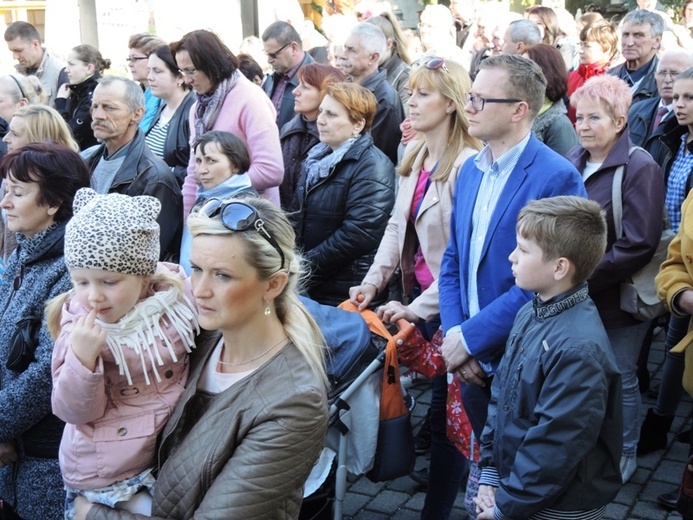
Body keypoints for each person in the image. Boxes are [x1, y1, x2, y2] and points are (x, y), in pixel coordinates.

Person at [74, 197, 329, 519]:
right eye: (196, 269)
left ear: (273, 284)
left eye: (222, 275)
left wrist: (92, 514)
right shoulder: (195, 337)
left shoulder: (294, 401)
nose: (199, 290)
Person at [437, 54, 585, 517]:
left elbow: (546, 284)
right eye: (469, 95)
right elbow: (453, 261)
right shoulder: (471, 169)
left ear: (520, 110)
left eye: (480, 98)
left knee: (520, 484)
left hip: (521, 360)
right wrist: (456, 338)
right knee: (485, 475)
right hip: (470, 357)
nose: (469, 106)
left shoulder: (556, 175)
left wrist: (472, 338)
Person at [348, 57, 482, 519]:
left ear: (450, 102)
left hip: (453, 308)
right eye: (411, 92)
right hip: (421, 301)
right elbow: (394, 228)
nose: (411, 100)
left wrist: (414, 306)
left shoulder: (469, 165)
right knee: (440, 408)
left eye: (423, 93)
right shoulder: (417, 155)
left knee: (452, 415)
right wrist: (372, 283)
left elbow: (463, 261)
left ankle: (440, 507)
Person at [48, 188, 198, 518]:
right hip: (108, 473)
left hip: (161, 453)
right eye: (82, 282)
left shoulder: (175, 305)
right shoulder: (80, 330)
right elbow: (72, 411)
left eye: (109, 281)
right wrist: (83, 362)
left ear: (144, 278)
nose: (93, 296)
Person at [473, 196, 622, 520]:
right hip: (523, 490)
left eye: (524, 250)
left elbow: (556, 446)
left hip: (559, 506)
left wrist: (506, 507)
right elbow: (503, 395)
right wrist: (492, 472)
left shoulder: (578, 351)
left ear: (559, 267)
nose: (511, 257)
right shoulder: (531, 312)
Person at [567, 74, 664, 483]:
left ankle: (624, 452)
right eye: (579, 117)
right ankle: (587, 445)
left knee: (621, 376)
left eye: (594, 118)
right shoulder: (574, 157)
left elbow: (640, 242)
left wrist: (583, 278)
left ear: (620, 121)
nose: (583, 125)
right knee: (583, 374)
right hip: (573, 290)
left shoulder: (639, 166)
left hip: (616, 297)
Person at [0, 143, 91, 519]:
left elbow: (48, 373)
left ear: (53, 203)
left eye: (18, 193)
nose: (5, 201)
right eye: (5, 190)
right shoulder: (22, 252)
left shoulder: (71, 271)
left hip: (44, 458)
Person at [289, 82, 395, 306]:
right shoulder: (317, 158)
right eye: (321, 111)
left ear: (357, 124)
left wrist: (304, 267)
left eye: (331, 114)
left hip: (346, 291)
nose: (320, 120)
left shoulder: (372, 165)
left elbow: (359, 233)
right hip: (314, 284)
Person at [171, 29, 284, 212]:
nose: (187, 80)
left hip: (249, 219)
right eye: (182, 71)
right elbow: (194, 175)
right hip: (209, 218)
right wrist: (188, 226)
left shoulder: (250, 98)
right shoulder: (198, 109)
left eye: (191, 71)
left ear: (212, 64)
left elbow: (271, 170)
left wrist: (219, 186)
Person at [81, 76, 183, 261]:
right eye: (95, 106)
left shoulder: (154, 178)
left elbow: (145, 255)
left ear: (137, 114)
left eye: (109, 107)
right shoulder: (87, 160)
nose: (98, 115)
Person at [0, 105, 79, 262]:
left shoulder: (64, 263)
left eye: (14, 134)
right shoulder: (11, 175)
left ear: (38, 141)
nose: (5, 138)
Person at [180, 131, 257, 273]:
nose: (202, 170)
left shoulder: (242, 208)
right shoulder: (206, 196)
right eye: (198, 161)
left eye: (211, 161)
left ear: (236, 165)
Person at [279, 63, 346, 209]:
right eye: (299, 85)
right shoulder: (288, 129)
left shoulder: (338, 137)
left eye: (305, 87)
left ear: (326, 93)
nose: (295, 92)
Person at [340, 22, 404, 165]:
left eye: (352, 50)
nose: (343, 55)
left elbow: (372, 156)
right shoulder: (345, 88)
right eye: (345, 48)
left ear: (373, 58)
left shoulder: (384, 100)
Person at [144, 44, 195, 188]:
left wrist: (160, 173)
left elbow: (195, 170)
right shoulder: (163, 107)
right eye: (149, 71)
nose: (149, 77)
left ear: (180, 77)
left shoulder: (192, 111)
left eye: (157, 71)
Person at [628, 49, 693, 153]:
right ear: (655, 75)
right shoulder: (636, 109)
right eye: (662, 72)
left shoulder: (687, 121)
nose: (667, 79)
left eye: (674, 73)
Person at [524, 44, 578, 156]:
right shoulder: (519, 111)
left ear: (545, 74)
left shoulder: (560, 125)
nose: (516, 75)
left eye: (524, 68)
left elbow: (564, 170)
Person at [55, 44, 110, 150]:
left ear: (89, 68)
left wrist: (60, 101)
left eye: (71, 64)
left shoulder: (95, 95)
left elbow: (67, 133)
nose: (66, 70)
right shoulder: (78, 90)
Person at [261, 21, 315, 129]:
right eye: (267, 54)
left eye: (273, 55)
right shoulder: (271, 79)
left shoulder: (316, 81)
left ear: (294, 48)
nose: (269, 60)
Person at [567, 19, 619, 123]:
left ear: (607, 48)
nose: (580, 50)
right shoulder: (573, 75)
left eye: (587, 46)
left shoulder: (612, 79)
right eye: (580, 44)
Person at [3, 21, 66, 106]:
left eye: (18, 50)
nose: (15, 57)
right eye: (12, 51)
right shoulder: (17, 74)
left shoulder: (60, 72)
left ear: (35, 44)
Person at [608, 10, 663, 105]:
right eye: (625, 35)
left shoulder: (666, 82)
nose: (629, 43)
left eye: (638, 35)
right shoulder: (608, 78)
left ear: (656, 41)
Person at [367, 11, 413, 115]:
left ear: (388, 44)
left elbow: (406, 120)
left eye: (372, 43)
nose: (367, 49)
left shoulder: (405, 75)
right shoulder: (366, 70)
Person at [127, 33, 166, 132]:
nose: (130, 64)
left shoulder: (165, 97)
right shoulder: (136, 94)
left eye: (135, 59)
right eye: (129, 59)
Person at [3, 104, 79, 153]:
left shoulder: (55, 176)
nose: (5, 139)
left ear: (40, 140)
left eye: (15, 134)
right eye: (9, 131)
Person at [524, 5, 575, 71]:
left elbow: (564, 73)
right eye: (530, 23)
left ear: (549, 24)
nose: (533, 26)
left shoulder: (563, 46)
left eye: (539, 23)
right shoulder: (528, 45)